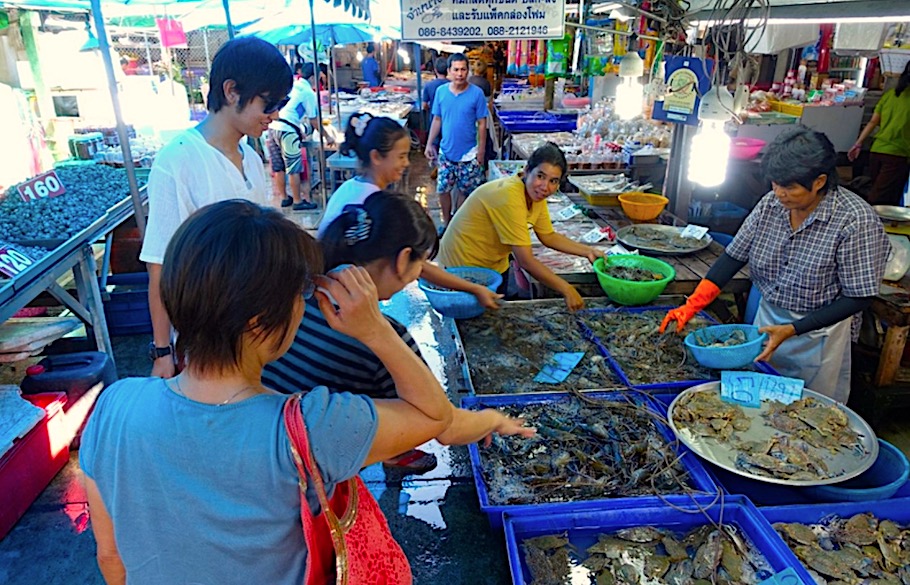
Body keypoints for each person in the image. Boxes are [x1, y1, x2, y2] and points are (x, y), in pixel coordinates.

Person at [80, 199, 534, 584]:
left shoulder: (114, 406)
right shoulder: (314, 426)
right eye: (297, 296)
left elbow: (110, 557)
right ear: (259, 323)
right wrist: (376, 330)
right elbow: (435, 415)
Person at [269, 192, 508, 473]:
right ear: (403, 259)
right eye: (421, 263)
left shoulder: (293, 293)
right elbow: (445, 425)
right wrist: (493, 420)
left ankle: (392, 449)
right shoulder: (384, 339)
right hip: (309, 468)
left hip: (272, 436)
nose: (420, 272)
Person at [661, 126, 890, 403]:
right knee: (758, 404)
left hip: (817, 335)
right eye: (775, 184)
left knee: (806, 409)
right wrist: (692, 304)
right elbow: (733, 257)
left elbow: (859, 296)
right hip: (768, 320)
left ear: (819, 181)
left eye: (790, 187)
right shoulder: (771, 204)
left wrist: (793, 330)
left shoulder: (855, 220)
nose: (780, 193)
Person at [140, 37, 292, 379]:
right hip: (204, 346)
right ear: (232, 91)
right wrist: (163, 351)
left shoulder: (252, 159)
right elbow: (160, 269)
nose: (275, 115)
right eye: (269, 103)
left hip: (252, 338)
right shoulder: (177, 160)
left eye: (281, 104)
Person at [321, 112, 501, 309]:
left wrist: (473, 289)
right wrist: (473, 288)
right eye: (401, 156)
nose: (407, 163)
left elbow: (414, 262)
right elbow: (417, 265)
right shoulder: (372, 204)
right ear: (376, 157)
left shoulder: (351, 188)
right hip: (344, 302)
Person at [437, 143, 604, 311]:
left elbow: (548, 236)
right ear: (526, 171)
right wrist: (566, 289)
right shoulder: (510, 196)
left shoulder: (534, 195)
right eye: (540, 176)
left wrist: (588, 251)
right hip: (462, 267)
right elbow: (526, 261)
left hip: (493, 267)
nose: (545, 187)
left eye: (553, 181)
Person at [425, 53, 488, 230]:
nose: (460, 73)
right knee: (443, 189)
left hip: (469, 153)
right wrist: (430, 143)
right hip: (446, 151)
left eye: (463, 69)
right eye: (456, 70)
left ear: (468, 71)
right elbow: (437, 119)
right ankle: (446, 221)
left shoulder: (477, 94)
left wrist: (481, 151)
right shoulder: (441, 92)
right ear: (449, 71)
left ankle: (457, 223)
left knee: (464, 190)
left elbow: (482, 124)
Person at [266, 62, 335, 212]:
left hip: (272, 128)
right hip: (287, 132)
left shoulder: (294, 86)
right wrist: (328, 137)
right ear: (312, 77)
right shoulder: (308, 93)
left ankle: (285, 198)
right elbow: (314, 120)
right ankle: (298, 201)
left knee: (279, 167)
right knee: (293, 168)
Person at [848, 61, 910, 206]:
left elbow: (873, 122)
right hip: (897, 155)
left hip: (877, 151)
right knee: (880, 199)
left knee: (879, 193)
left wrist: (858, 144)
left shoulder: (890, 95)